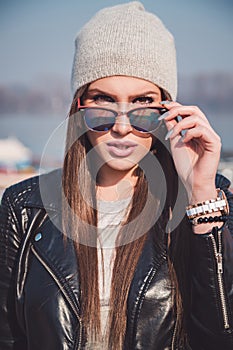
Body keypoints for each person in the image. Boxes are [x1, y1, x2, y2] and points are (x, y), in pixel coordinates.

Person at [0, 2, 232, 349]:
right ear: (79, 108)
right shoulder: (24, 207)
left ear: (168, 111)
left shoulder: (207, 201)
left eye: (143, 108)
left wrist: (199, 193)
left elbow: (220, 337)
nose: (122, 127)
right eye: (103, 105)